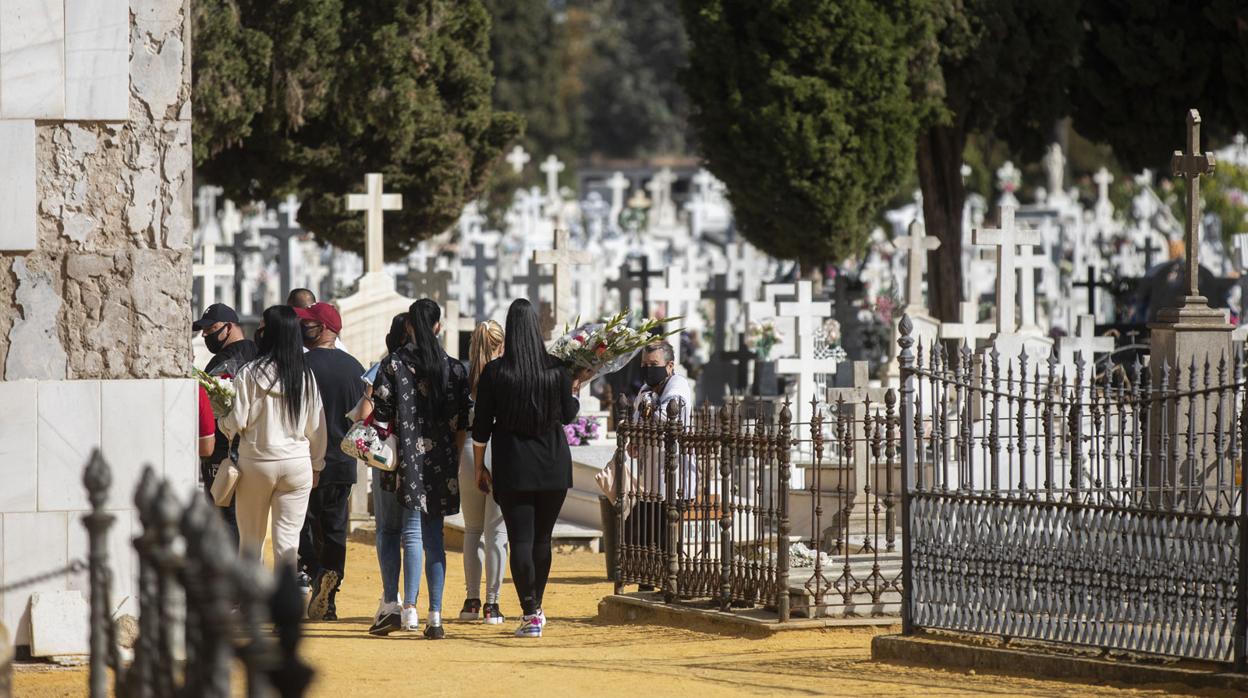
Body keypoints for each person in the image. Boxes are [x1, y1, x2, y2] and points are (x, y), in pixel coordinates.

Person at [473, 299, 582, 638]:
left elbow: (481, 426)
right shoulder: (556, 370)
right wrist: (574, 390)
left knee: (519, 538)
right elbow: (567, 415)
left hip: (513, 465)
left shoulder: (496, 372)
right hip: (552, 465)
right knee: (542, 539)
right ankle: (537, 607)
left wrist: (479, 467)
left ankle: (530, 610)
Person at [372, 299, 472, 640]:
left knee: (410, 532)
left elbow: (382, 418)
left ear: (410, 328)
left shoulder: (393, 365)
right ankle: (436, 615)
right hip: (443, 458)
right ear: (438, 327)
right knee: (435, 538)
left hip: (407, 459)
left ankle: (409, 608)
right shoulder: (455, 369)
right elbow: (463, 420)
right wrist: (454, 457)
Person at [219, 305, 327, 570]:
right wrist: (317, 465)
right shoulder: (305, 376)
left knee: (251, 541)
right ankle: (285, 605)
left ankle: (251, 605)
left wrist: (221, 420)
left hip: (257, 462)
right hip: (297, 463)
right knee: (288, 544)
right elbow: (316, 426)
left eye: (262, 326)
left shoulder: (250, 373)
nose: (258, 331)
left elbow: (237, 421)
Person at [295, 302, 365, 622]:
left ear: (324, 329)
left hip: (306, 459)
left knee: (303, 525)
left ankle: (314, 571)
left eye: (309, 323)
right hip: (343, 460)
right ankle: (330, 595)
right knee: (335, 529)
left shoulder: (300, 364)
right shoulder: (356, 368)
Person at [364, 314, 419, 636]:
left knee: (387, 529)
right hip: (420, 458)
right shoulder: (432, 364)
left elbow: (365, 412)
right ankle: (411, 607)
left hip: (386, 456)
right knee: (413, 532)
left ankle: (390, 601)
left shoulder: (385, 366)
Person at [627, 340, 695, 590]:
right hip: (650, 474)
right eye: (644, 364)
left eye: (653, 364)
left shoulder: (678, 387)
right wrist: (635, 438)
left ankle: (671, 583)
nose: (647, 369)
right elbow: (639, 420)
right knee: (645, 532)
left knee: (666, 533)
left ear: (669, 365)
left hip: (673, 473)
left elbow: (664, 419)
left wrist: (646, 415)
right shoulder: (647, 387)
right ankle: (648, 581)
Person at [192, 303, 258, 546]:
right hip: (254, 450)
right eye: (204, 331)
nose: (206, 336)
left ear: (229, 327)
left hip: (224, 451)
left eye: (211, 329)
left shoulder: (226, 360)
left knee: (224, 516)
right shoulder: (257, 352)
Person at [458, 320, 508, 625]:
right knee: (496, 531)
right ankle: (493, 604)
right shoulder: (504, 372)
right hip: (498, 448)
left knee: (473, 529)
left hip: (467, 449)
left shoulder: (463, 375)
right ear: (500, 345)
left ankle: (471, 600)